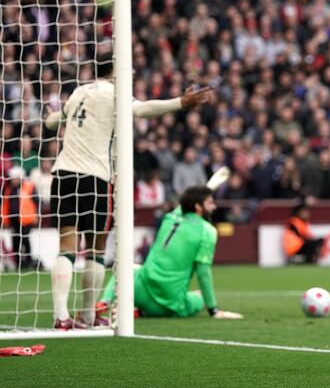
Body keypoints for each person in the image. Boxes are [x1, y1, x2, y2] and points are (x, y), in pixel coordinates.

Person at [44, 53, 212, 329]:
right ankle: (86, 315)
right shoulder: (115, 93)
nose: (131, 77)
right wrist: (180, 103)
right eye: (128, 72)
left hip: (63, 175)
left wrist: (48, 119)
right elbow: (142, 109)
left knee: (67, 248)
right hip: (95, 178)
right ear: (114, 70)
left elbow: (54, 120)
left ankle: (60, 316)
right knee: (96, 250)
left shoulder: (78, 92)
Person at [98, 167, 242, 319]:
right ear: (198, 207)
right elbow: (203, 273)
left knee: (129, 268)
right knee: (198, 296)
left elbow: (184, 206)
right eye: (210, 203)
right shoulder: (207, 231)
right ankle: (143, 311)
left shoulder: (169, 219)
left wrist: (205, 190)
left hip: (139, 291)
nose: (214, 207)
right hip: (168, 304)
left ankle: (105, 301)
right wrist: (214, 310)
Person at [1, 166, 38, 269]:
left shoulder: (29, 187)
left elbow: (36, 202)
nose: (12, 179)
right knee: (15, 241)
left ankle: (29, 261)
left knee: (25, 240)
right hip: (14, 221)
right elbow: (5, 205)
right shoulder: (8, 189)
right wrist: (5, 220)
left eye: (13, 177)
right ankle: (19, 263)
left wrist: (36, 216)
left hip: (26, 220)